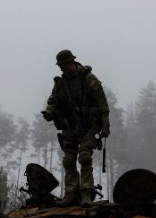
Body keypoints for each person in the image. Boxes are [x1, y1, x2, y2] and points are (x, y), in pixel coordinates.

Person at [41, 49, 110, 205]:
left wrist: (105, 126)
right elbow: (53, 101)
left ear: (72, 62)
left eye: (65, 65)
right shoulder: (60, 84)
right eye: (61, 66)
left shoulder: (88, 79)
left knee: (85, 157)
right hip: (69, 128)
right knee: (68, 161)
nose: (62, 68)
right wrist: (49, 113)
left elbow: (102, 104)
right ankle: (71, 193)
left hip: (88, 127)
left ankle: (86, 192)